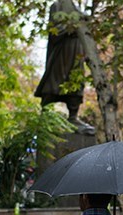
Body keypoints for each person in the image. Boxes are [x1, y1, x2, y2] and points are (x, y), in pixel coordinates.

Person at [34, 0, 95, 135]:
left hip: (77, 52)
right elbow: (54, 31)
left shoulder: (78, 9)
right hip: (62, 51)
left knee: (76, 83)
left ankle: (73, 117)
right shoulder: (57, 6)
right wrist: (73, 26)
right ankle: (46, 115)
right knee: (54, 81)